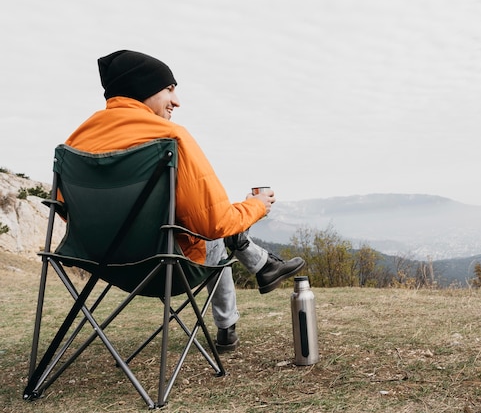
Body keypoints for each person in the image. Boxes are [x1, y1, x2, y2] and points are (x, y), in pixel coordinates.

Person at [65, 49, 305, 352]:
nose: (176, 101)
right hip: (166, 267)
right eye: (169, 89)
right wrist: (257, 206)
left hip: (107, 266)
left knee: (203, 225)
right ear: (143, 88)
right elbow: (215, 222)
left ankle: (262, 267)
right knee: (214, 235)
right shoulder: (169, 137)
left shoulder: (74, 143)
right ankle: (236, 311)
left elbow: (70, 213)